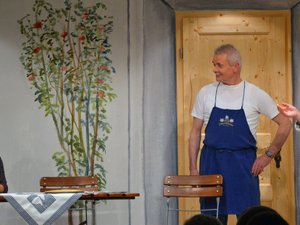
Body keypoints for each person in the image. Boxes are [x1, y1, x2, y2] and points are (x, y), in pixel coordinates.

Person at [188, 44, 291, 225]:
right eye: (214, 64)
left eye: (219, 65)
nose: (214, 70)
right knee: (212, 218)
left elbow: (285, 123)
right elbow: (195, 131)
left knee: (248, 218)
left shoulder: (254, 94)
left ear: (235, 66)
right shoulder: (205, 93)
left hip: (243, 166)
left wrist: (268, 155)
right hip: (211, 163)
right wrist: (193, 169)